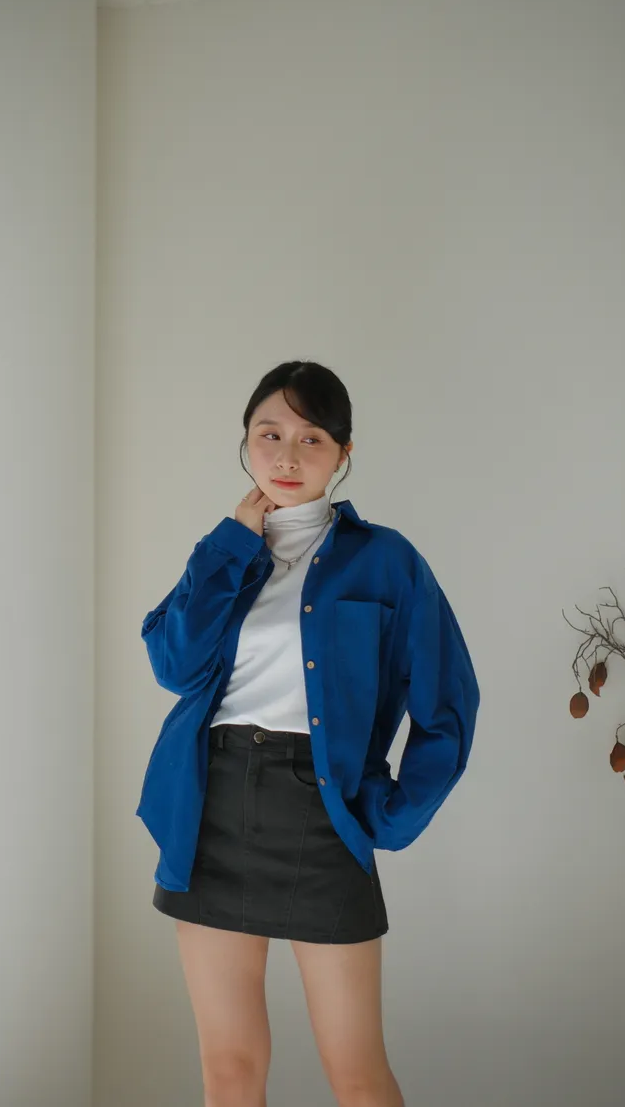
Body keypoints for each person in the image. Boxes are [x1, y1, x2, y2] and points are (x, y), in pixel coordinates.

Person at [137, 359, 480, 1107]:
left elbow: (449, 701)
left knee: (356, 1071)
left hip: (325, 812)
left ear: (343, 453)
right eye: (270, 434)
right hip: (212, 808)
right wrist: (231, 543)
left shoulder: (386, 560)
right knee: (230, 1068)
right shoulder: (225, 553)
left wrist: (391, 813)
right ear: (246, 442)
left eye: (312, 438)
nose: (287, 456)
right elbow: (173, 663)